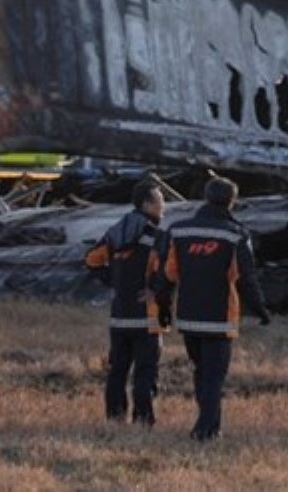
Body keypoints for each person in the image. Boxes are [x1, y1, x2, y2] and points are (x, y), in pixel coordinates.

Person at [152, 176, 271, 442]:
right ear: (232, 201)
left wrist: (162, 306)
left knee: (201, 372)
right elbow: (245, 278)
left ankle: (212, 428)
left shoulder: (178, 231)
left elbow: (167, 274)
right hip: (220, 318)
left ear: (205, 197)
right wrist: (260, 309)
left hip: (189, 317)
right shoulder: (236, 234)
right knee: (214, 377)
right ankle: (203, 431)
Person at [84, 179, 167, 425]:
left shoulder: (115, 232)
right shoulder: (156, 236)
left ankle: (114, 417)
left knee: (117, 370)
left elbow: (91, 260)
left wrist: (115, 283)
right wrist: (155, 290)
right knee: (145, 371)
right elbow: (168, 272)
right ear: (147, 204)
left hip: (119, 315)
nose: (164, 207)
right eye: (160, 201)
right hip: (147, 317)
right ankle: (143, 420)